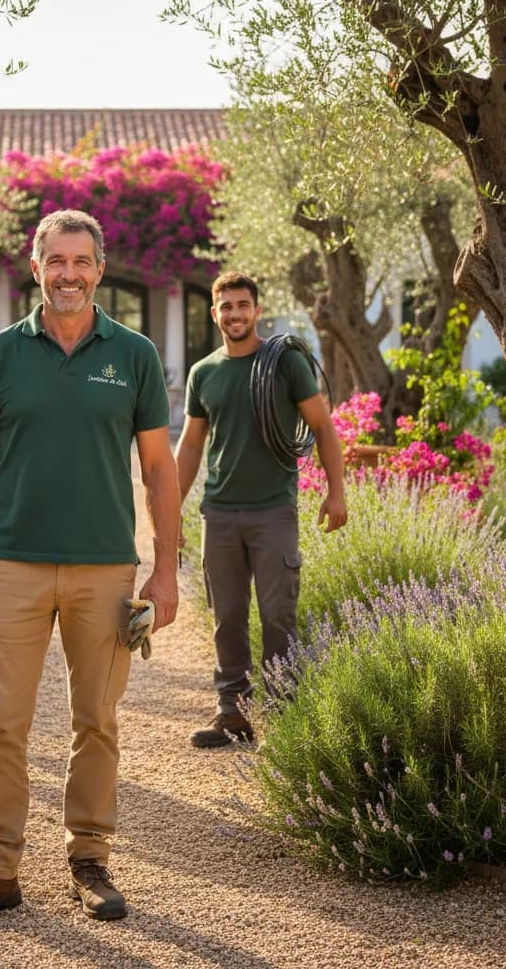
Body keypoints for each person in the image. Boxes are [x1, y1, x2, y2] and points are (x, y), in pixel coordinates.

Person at [0, 209, 179, 926]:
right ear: (35, 266)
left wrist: (165, 570)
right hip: (12, 565)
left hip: (106, 569)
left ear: (99, 270)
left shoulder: (133, 354)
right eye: (57, 261)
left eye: (82, 261)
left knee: (97, 722)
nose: (69, 274)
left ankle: (89, 860)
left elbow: (160, 467)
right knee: (2, 724)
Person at [175, 270, 347, 748]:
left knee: (277, 617)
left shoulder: (286, 362)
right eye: (226, 306)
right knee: (227, 617)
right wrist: (168, 515)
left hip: (274, 513)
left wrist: (336, 493)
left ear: (256, 309)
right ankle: (232, 714)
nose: (235, 314)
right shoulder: (203, 373)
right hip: (220, 514)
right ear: (215, 313)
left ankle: (284, 719)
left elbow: (324, 428)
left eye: (242, 305)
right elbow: (191, 446)